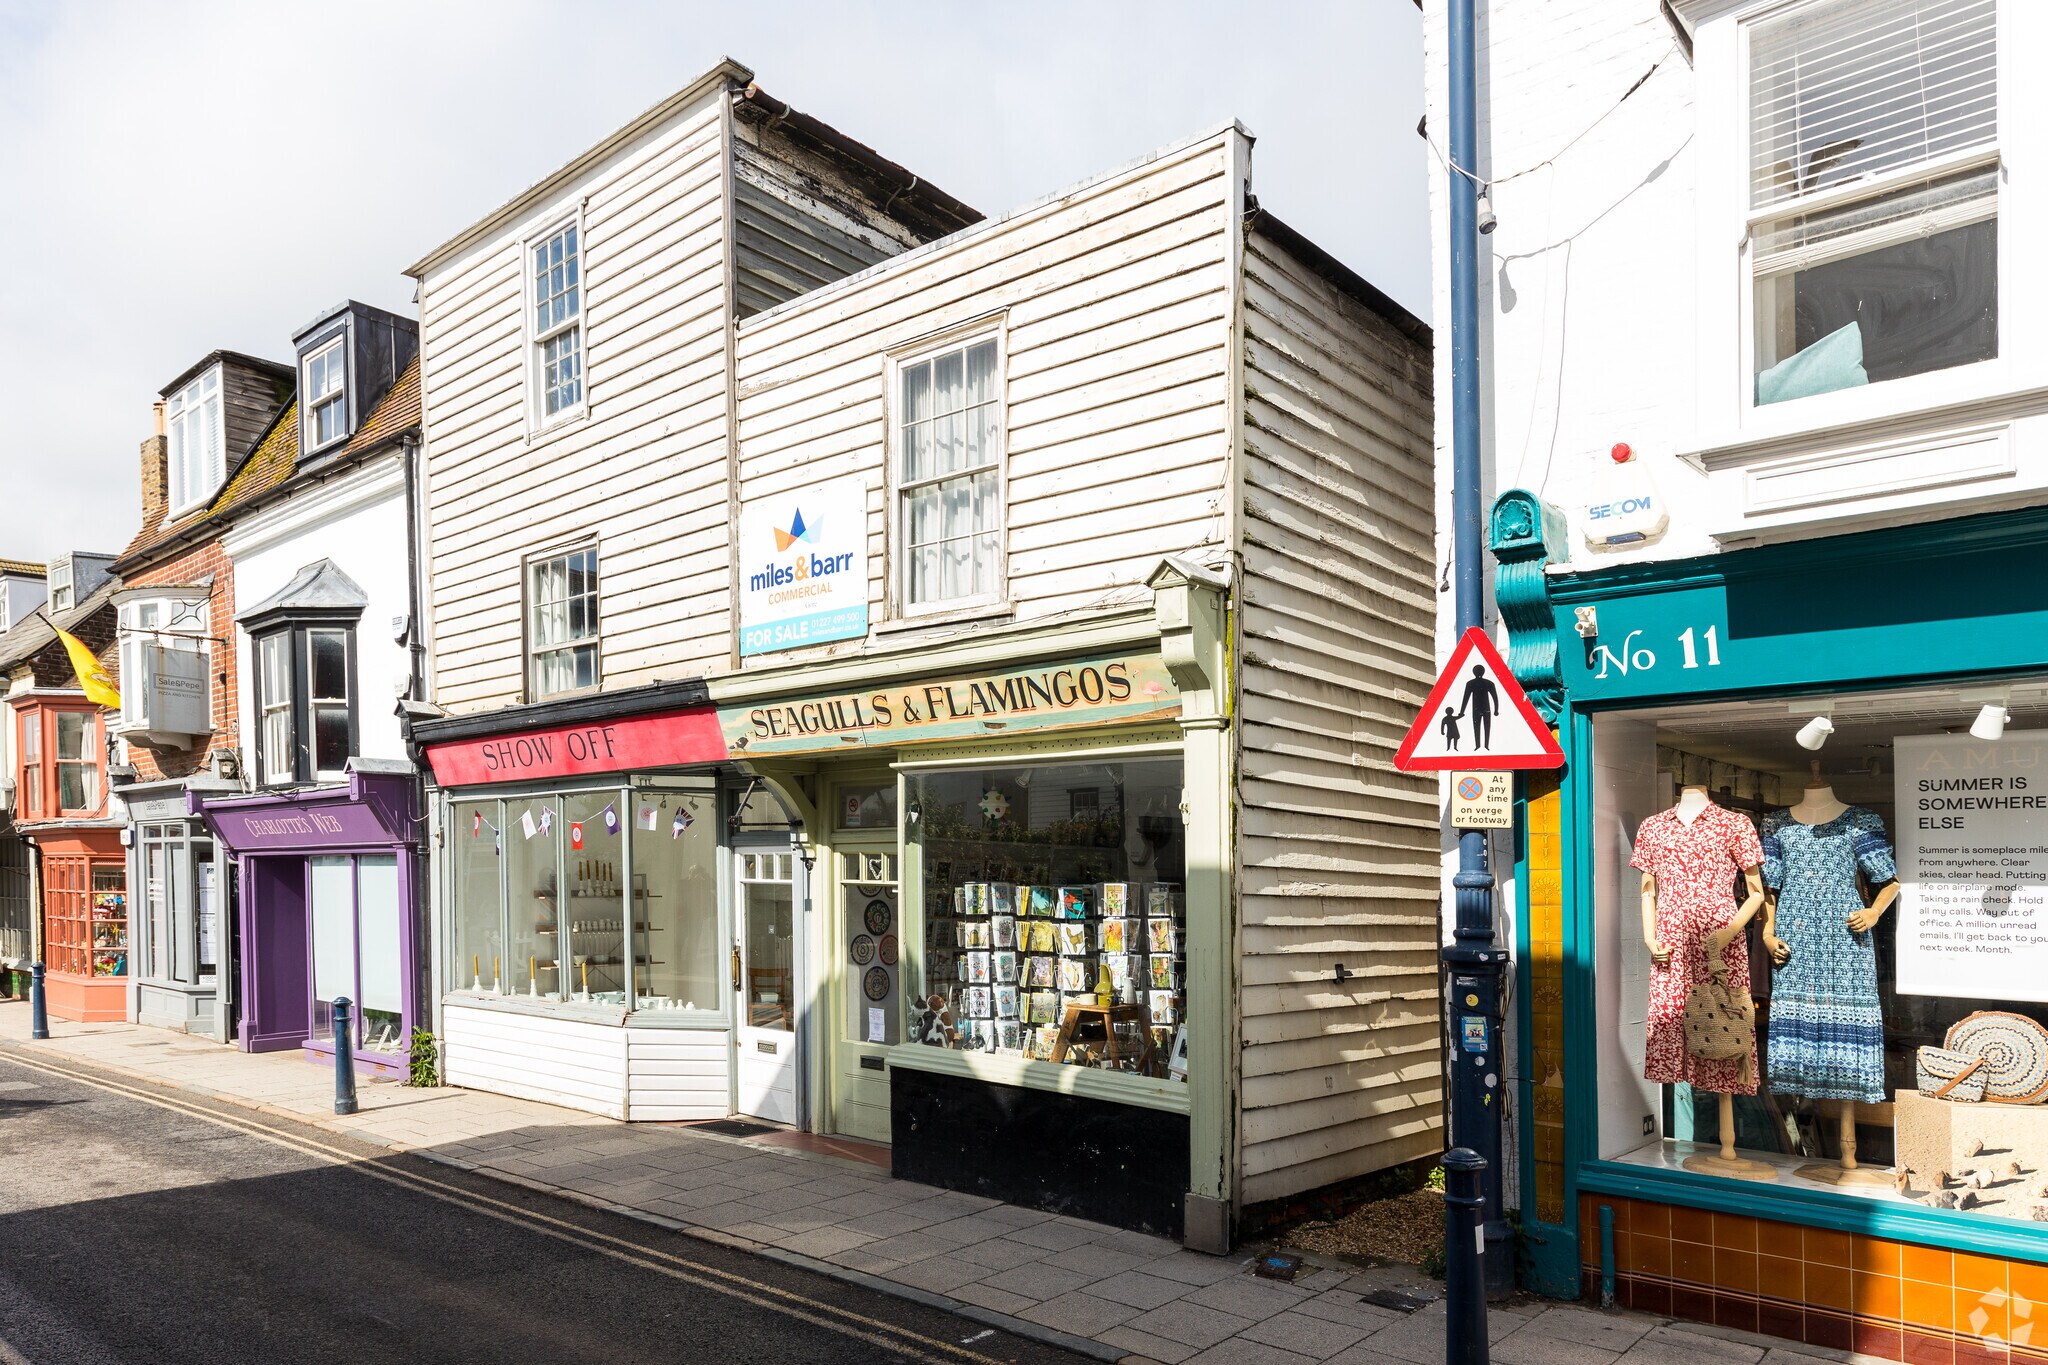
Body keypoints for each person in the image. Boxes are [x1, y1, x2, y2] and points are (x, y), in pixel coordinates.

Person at [1458, 664, 1500, 749]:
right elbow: (1495, 698)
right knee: (1486, 727)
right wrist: (1496, 710)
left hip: (1476, 709)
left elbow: (1465, 699)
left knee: (1477, 728)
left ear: (1474, 672)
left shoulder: (1470, 683)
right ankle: (1484, 746)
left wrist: (1462, 712)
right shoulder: (1488, 683)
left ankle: (1479, 746)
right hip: (1485, 709)